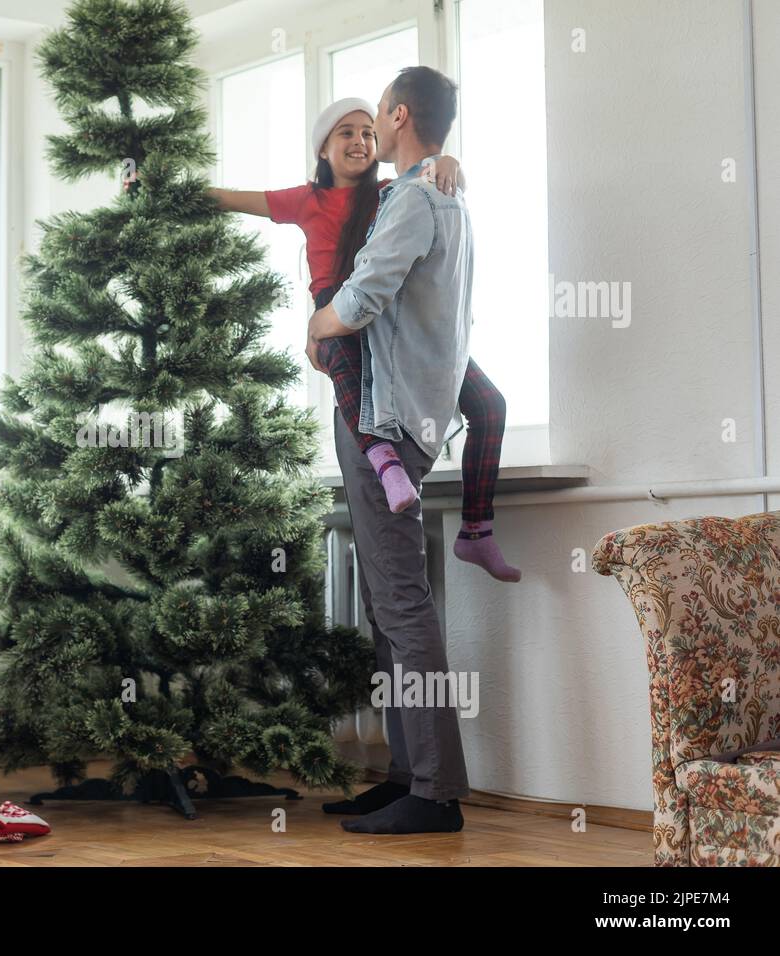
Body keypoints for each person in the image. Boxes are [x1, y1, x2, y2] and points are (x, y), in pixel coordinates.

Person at [208, 99, 519, 582]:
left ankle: (476, 531)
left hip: (387, 318)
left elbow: (431, 180)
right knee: (336, 355)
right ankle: (383, 459)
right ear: (324, 149)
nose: (360, 142)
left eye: (367, 134)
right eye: (346, 134)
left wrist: (448, 161)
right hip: (335, 311)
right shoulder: (305, 199)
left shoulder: (393, 192)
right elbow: (230, 198)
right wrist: (161, 188)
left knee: (490, 405)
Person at [306, 66, 475, 834]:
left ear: (400, 116)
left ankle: (436, 792)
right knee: (386, 600)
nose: (370, 134)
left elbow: (365, 294)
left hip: (389, 418)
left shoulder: (415, 196)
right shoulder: (448, 194)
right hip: (414, 414)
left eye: (377, 118)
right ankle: (408, 774)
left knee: (401, 603)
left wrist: (316, 325)